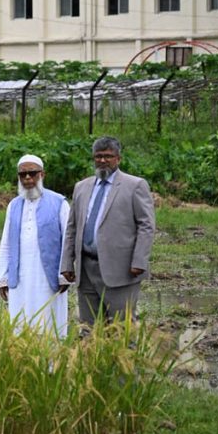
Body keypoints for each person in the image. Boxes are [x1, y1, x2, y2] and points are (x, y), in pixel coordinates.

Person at [60, 136, 155, 328]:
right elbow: (72, 227)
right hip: (86, 268)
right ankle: (92, 359)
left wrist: (139, 261)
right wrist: (67, 263)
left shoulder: (135, 185)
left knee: (121, 328)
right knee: (89, 328)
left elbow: (146, 225)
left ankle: (123, 359)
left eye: (108, 156)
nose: (103, 161)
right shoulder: (82, 187)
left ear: (118, 159)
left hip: (121, 269)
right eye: (98, 156)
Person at [0, 155, 71, 337]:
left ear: (42, 175)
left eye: (32, 173)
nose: (28, 178)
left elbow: (68, 242)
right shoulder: (14, 205)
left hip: (48, 277)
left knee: (49, 323)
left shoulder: (59, 202)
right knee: (20, 322)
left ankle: (52, 365)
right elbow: (6, 242)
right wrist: (2, 277)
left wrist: (64, 275)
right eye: (23, 174)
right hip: (20, 277)